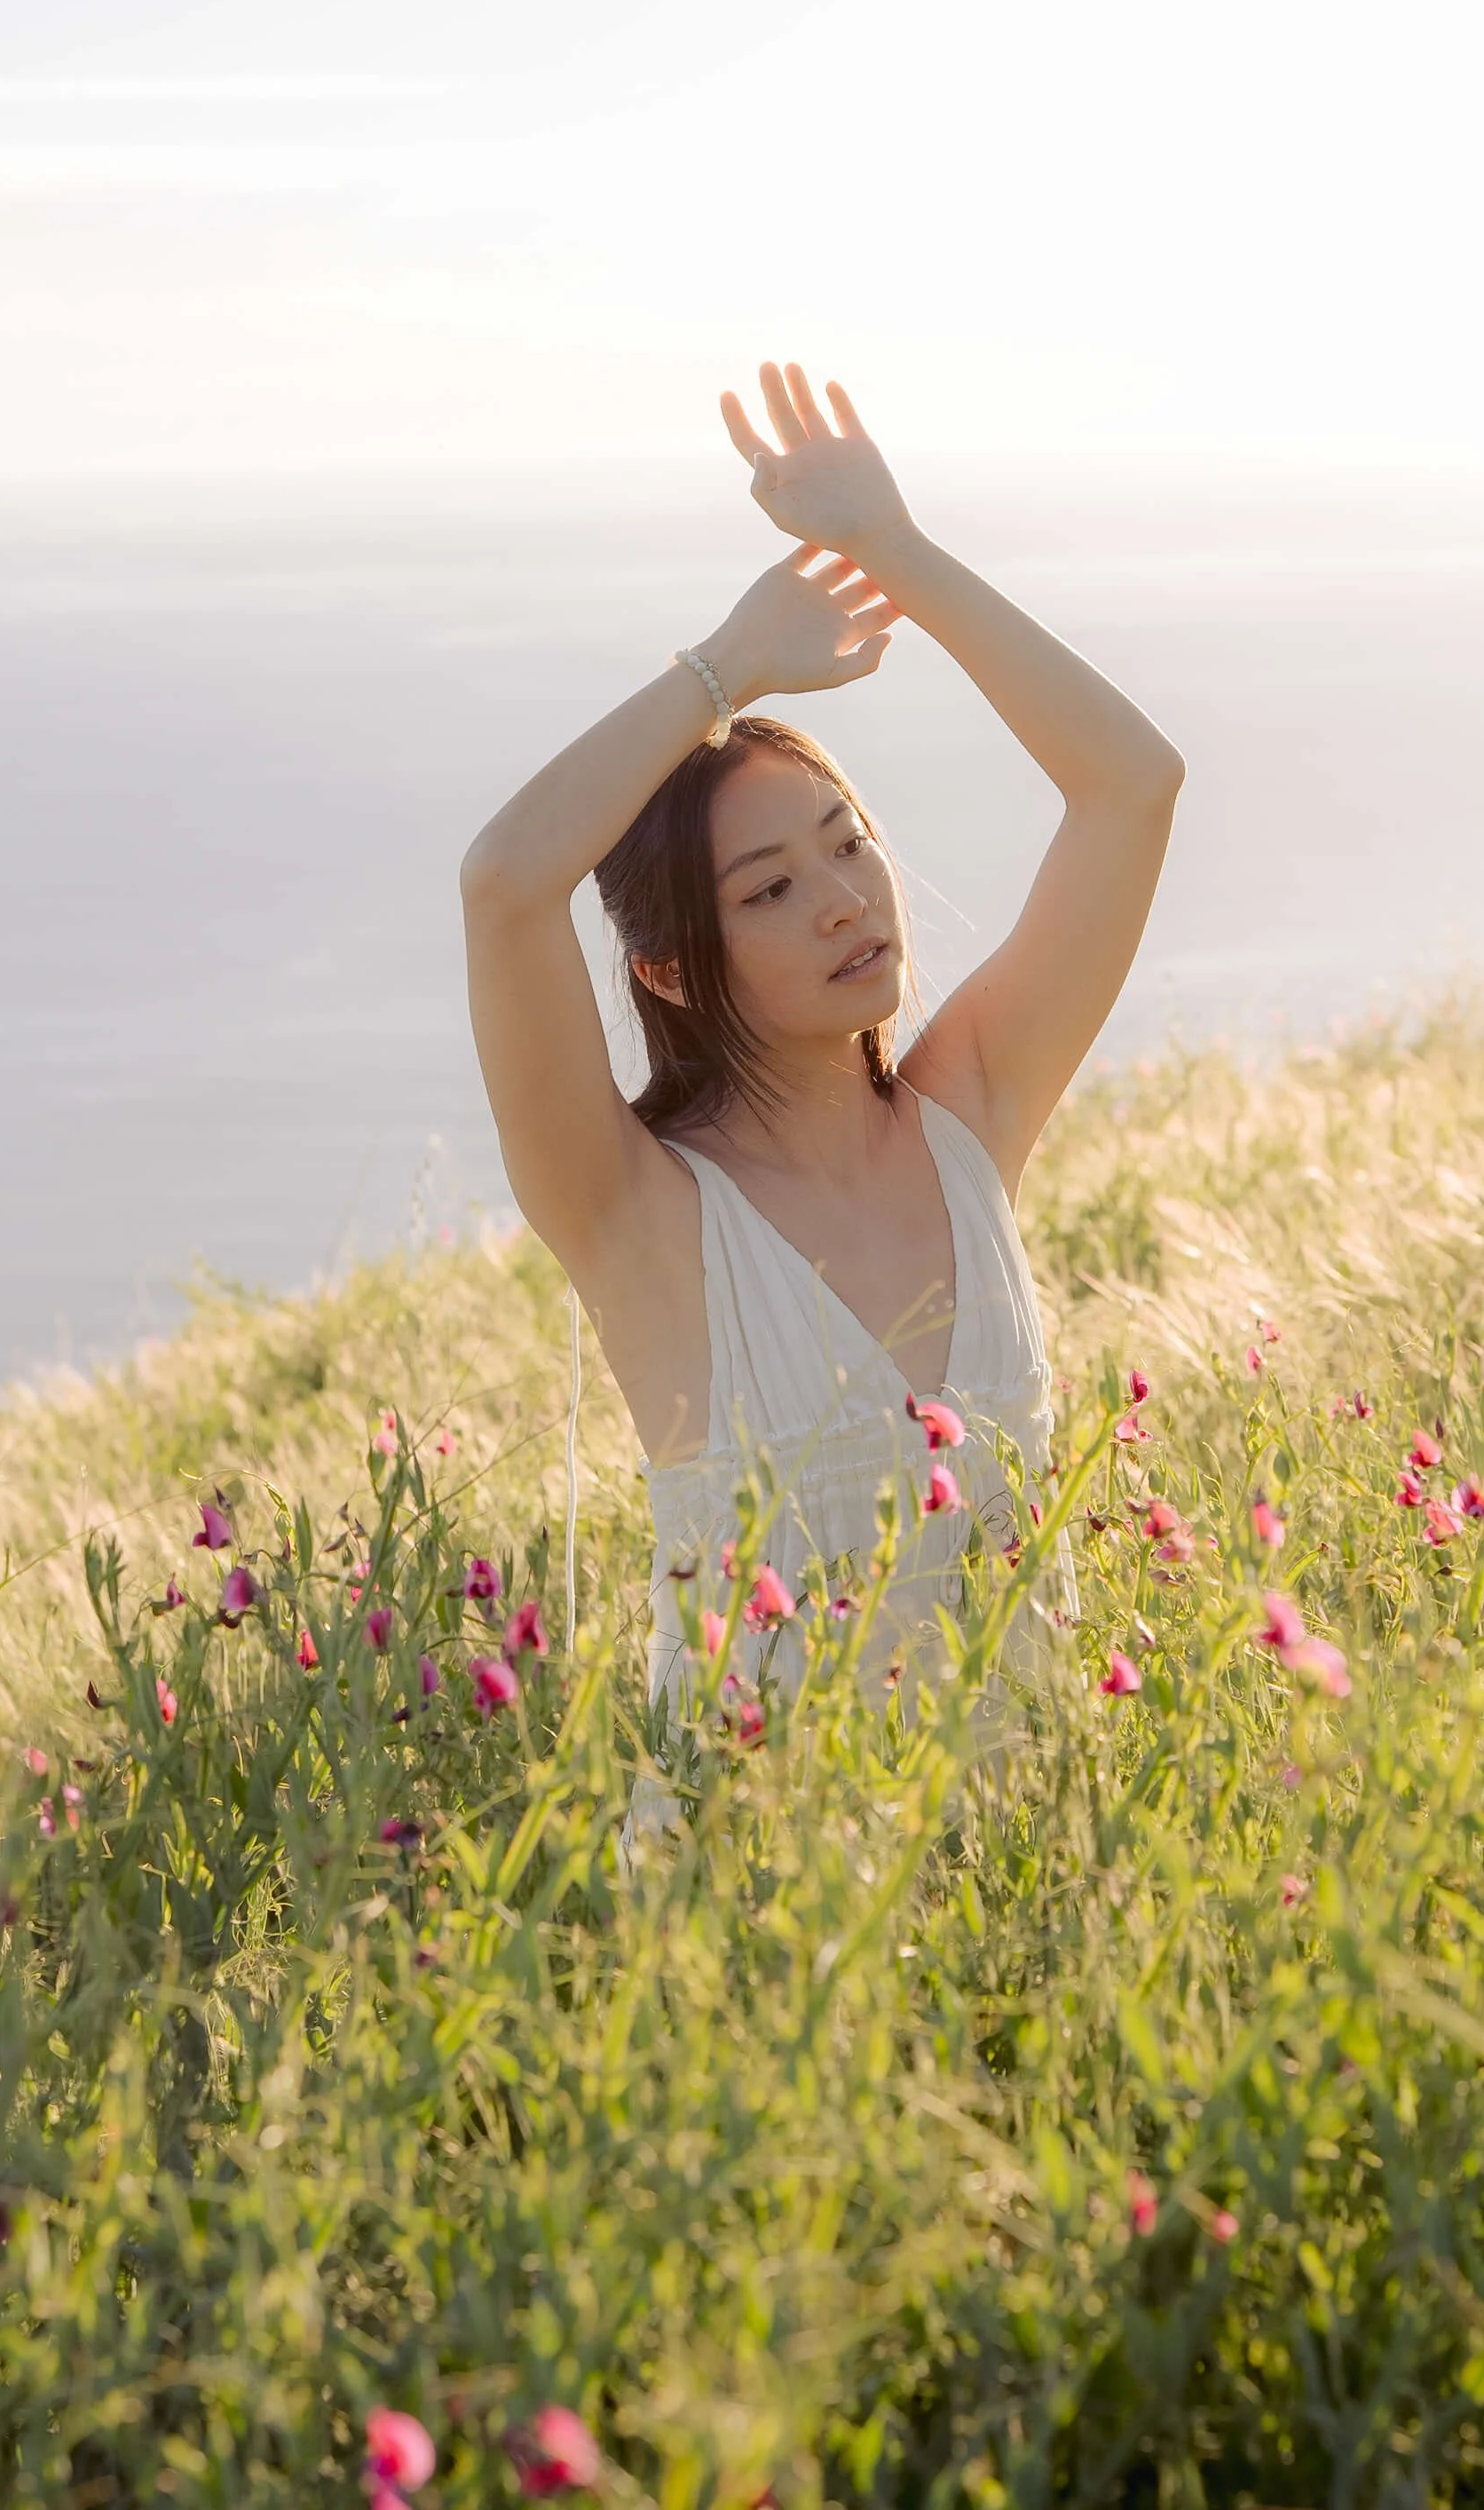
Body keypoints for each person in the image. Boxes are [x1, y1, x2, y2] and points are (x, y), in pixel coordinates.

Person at [460, 361, 1183, 1775]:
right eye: (771, 890)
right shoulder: (637, 1217)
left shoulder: (971, 1114)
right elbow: (504, 881)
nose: (848, 899)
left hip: (1042, 1893)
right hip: (763, 1935)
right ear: (671, 966)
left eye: (848, 845)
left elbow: (1132, 786)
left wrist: (895, 553)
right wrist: (724, 668)